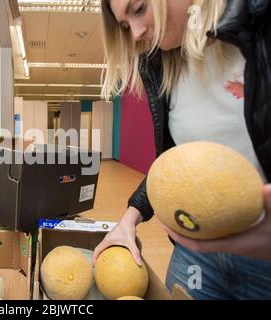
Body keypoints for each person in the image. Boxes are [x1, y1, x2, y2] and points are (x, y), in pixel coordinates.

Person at [93, 0, 271, 299]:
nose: (135, 33)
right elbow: (175, 167)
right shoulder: (162, 65)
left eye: (139, 9)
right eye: (125, 26)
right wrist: (128, 220)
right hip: (195, 252)